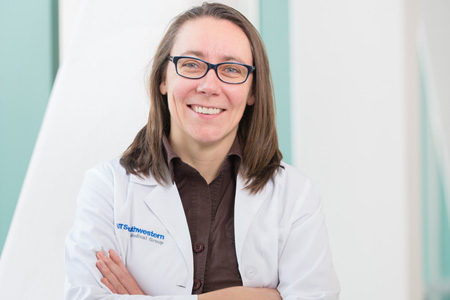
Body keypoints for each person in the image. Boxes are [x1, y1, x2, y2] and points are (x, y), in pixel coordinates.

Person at [64, 2, 340, 300]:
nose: (209, 85)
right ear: (163, 78)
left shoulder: (294, 196)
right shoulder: (107, 188)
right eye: (191, 64)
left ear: (253, 91)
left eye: (232, 69)